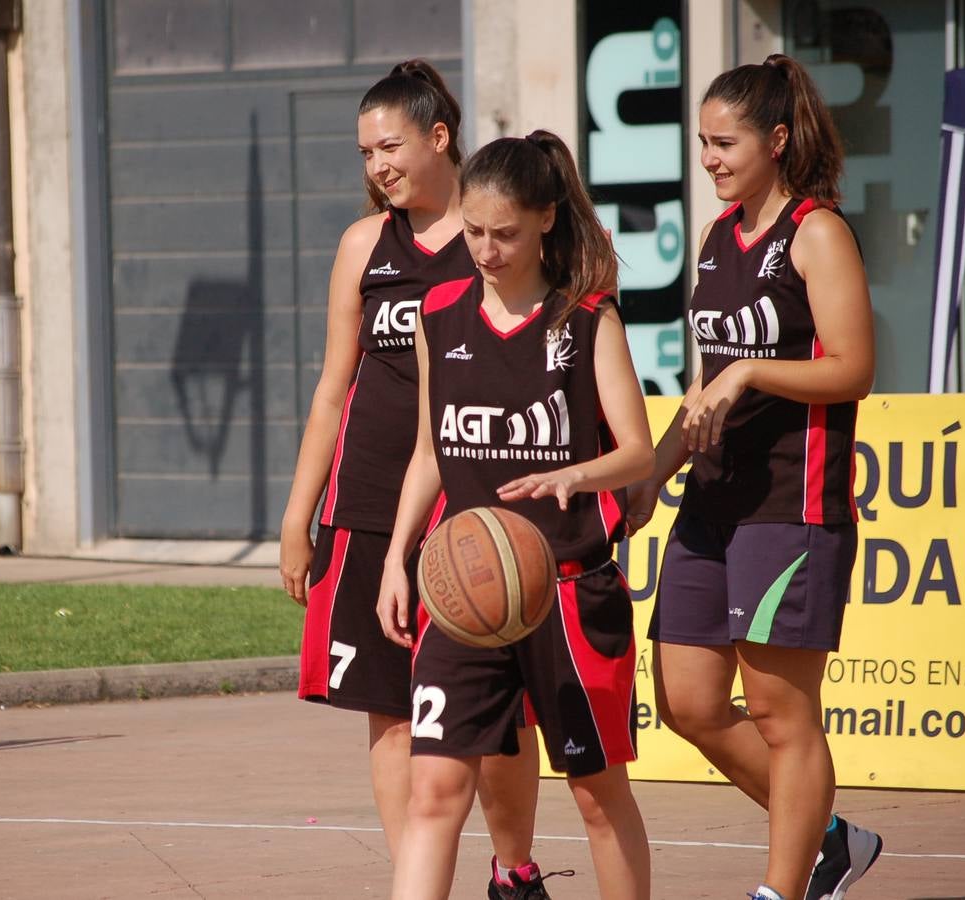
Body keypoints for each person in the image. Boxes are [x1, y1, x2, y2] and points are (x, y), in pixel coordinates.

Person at [278, 60, 551, 899]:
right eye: (364, 152)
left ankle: (514, 873)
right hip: (367, 510)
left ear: (439, 137)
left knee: (498, 721)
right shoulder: (364, 245)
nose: (377, 166)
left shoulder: (489, 233)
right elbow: (332, 389)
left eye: (390, 145)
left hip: (476, 511)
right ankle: (417, 884)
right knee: (391, 713)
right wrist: (297, 518)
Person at [624, 54, 883, 900]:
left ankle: (784, 888)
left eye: (723, 141)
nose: (708, 158)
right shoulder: (714, 239)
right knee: (688, 704)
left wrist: (754, 373)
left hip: (789, 502)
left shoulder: (815, 232)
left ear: (776, 140)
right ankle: (830, 838)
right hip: (709, 503)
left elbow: (851, 370)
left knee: (781, 714)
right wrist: (644, 480)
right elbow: (703, 391)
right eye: (701, 142)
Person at [377, 129, 654, 900]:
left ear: (544, 220)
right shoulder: (437, 311)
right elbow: (432, 450)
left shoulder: (586, 319)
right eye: (471, 232)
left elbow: (636, 450)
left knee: (598, 798)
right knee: (433, 790)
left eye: (503, 233)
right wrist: (399, 560)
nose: (486, 250)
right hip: (462, 590)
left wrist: (578, 472)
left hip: (566, 591)